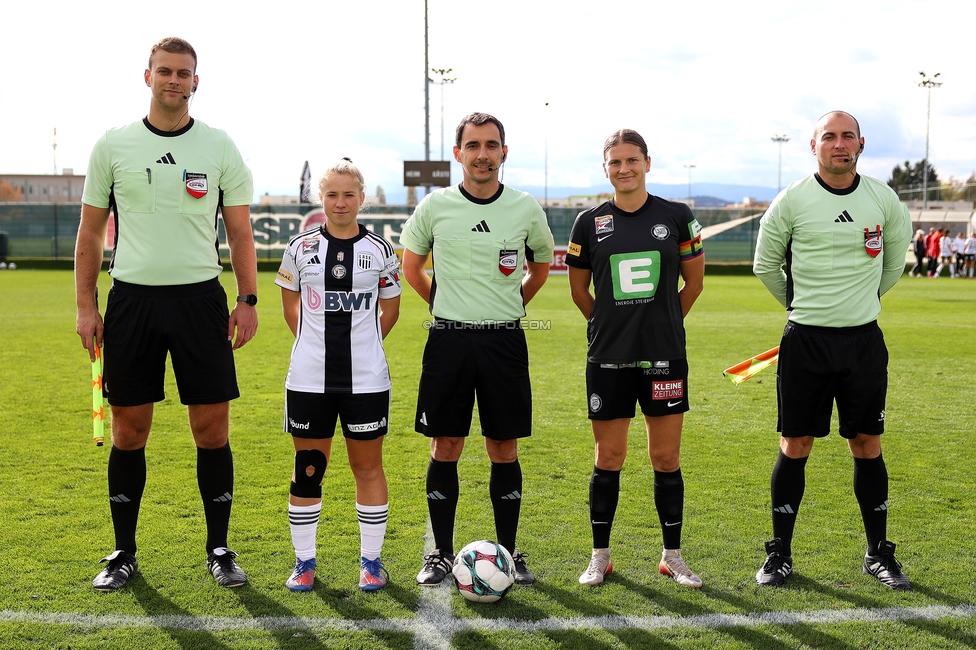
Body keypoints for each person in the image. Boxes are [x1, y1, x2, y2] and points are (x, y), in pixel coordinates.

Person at [74, 37, 257, 591]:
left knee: (211, 427)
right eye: (165, 71)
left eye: (184, 73)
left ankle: (219, 548)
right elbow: (89, 233)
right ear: (147, 76)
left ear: (196, 82)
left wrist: (246, 299)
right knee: (130, 431)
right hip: (130, 301)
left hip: (201, 301)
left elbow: (242, 231)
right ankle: (123, 551)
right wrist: (86, 305)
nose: (174, 80)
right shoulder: (113, 145)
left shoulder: (219, 145)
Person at [753, 111, 912, 589]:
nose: (839, 144)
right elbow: (765, 266)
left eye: (847, 137)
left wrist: (860, 305)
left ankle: (877, 552)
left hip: (863, 342)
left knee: (867, 444)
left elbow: (894, 264)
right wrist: (805, 308)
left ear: (860, 143)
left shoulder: (883, 199)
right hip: (805, 342)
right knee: (795, 444)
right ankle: (779, 553)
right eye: (830, 137)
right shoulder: (792, 200)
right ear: (813, 145)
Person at [399, 112, 555, 586]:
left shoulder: (526, 208)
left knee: (502, 447)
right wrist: (446, 305)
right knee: (445, 444)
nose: (482, 154)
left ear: (504, 152)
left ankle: (507, 553)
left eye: (491, 145)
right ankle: (441, 554)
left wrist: (507, 305)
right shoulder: (435, 206)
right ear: (458, 153)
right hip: (448, 340)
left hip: (503, 340)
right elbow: (412, 268)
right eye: (473, 145)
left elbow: (541, 266)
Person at [566, 129, 705, 588]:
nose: (623, 169)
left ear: (647, 162)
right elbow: (579, 292)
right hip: (608, 357)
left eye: (631, 160)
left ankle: (672, 556)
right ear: (605, 168)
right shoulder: (588, 223)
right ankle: (600, 556)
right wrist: (611, 325)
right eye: (614, 162)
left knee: (666, 458)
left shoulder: (678, 216)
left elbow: (694, 285)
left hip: (664, 357)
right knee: (610, 455)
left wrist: (660, 324)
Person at [275, 159, 401, 592]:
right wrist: (315, 341)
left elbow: (391, 309)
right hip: (308, 378)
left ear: (362, 198)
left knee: (367, 468)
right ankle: (305, 563)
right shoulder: (299, 248)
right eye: (332, 194)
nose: (341, 202)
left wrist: (362, 343)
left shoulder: (381, 251)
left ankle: (371, 562)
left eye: (349, 194)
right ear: (320, 199)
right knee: (309, 466)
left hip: (366, 380)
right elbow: (290, 304)